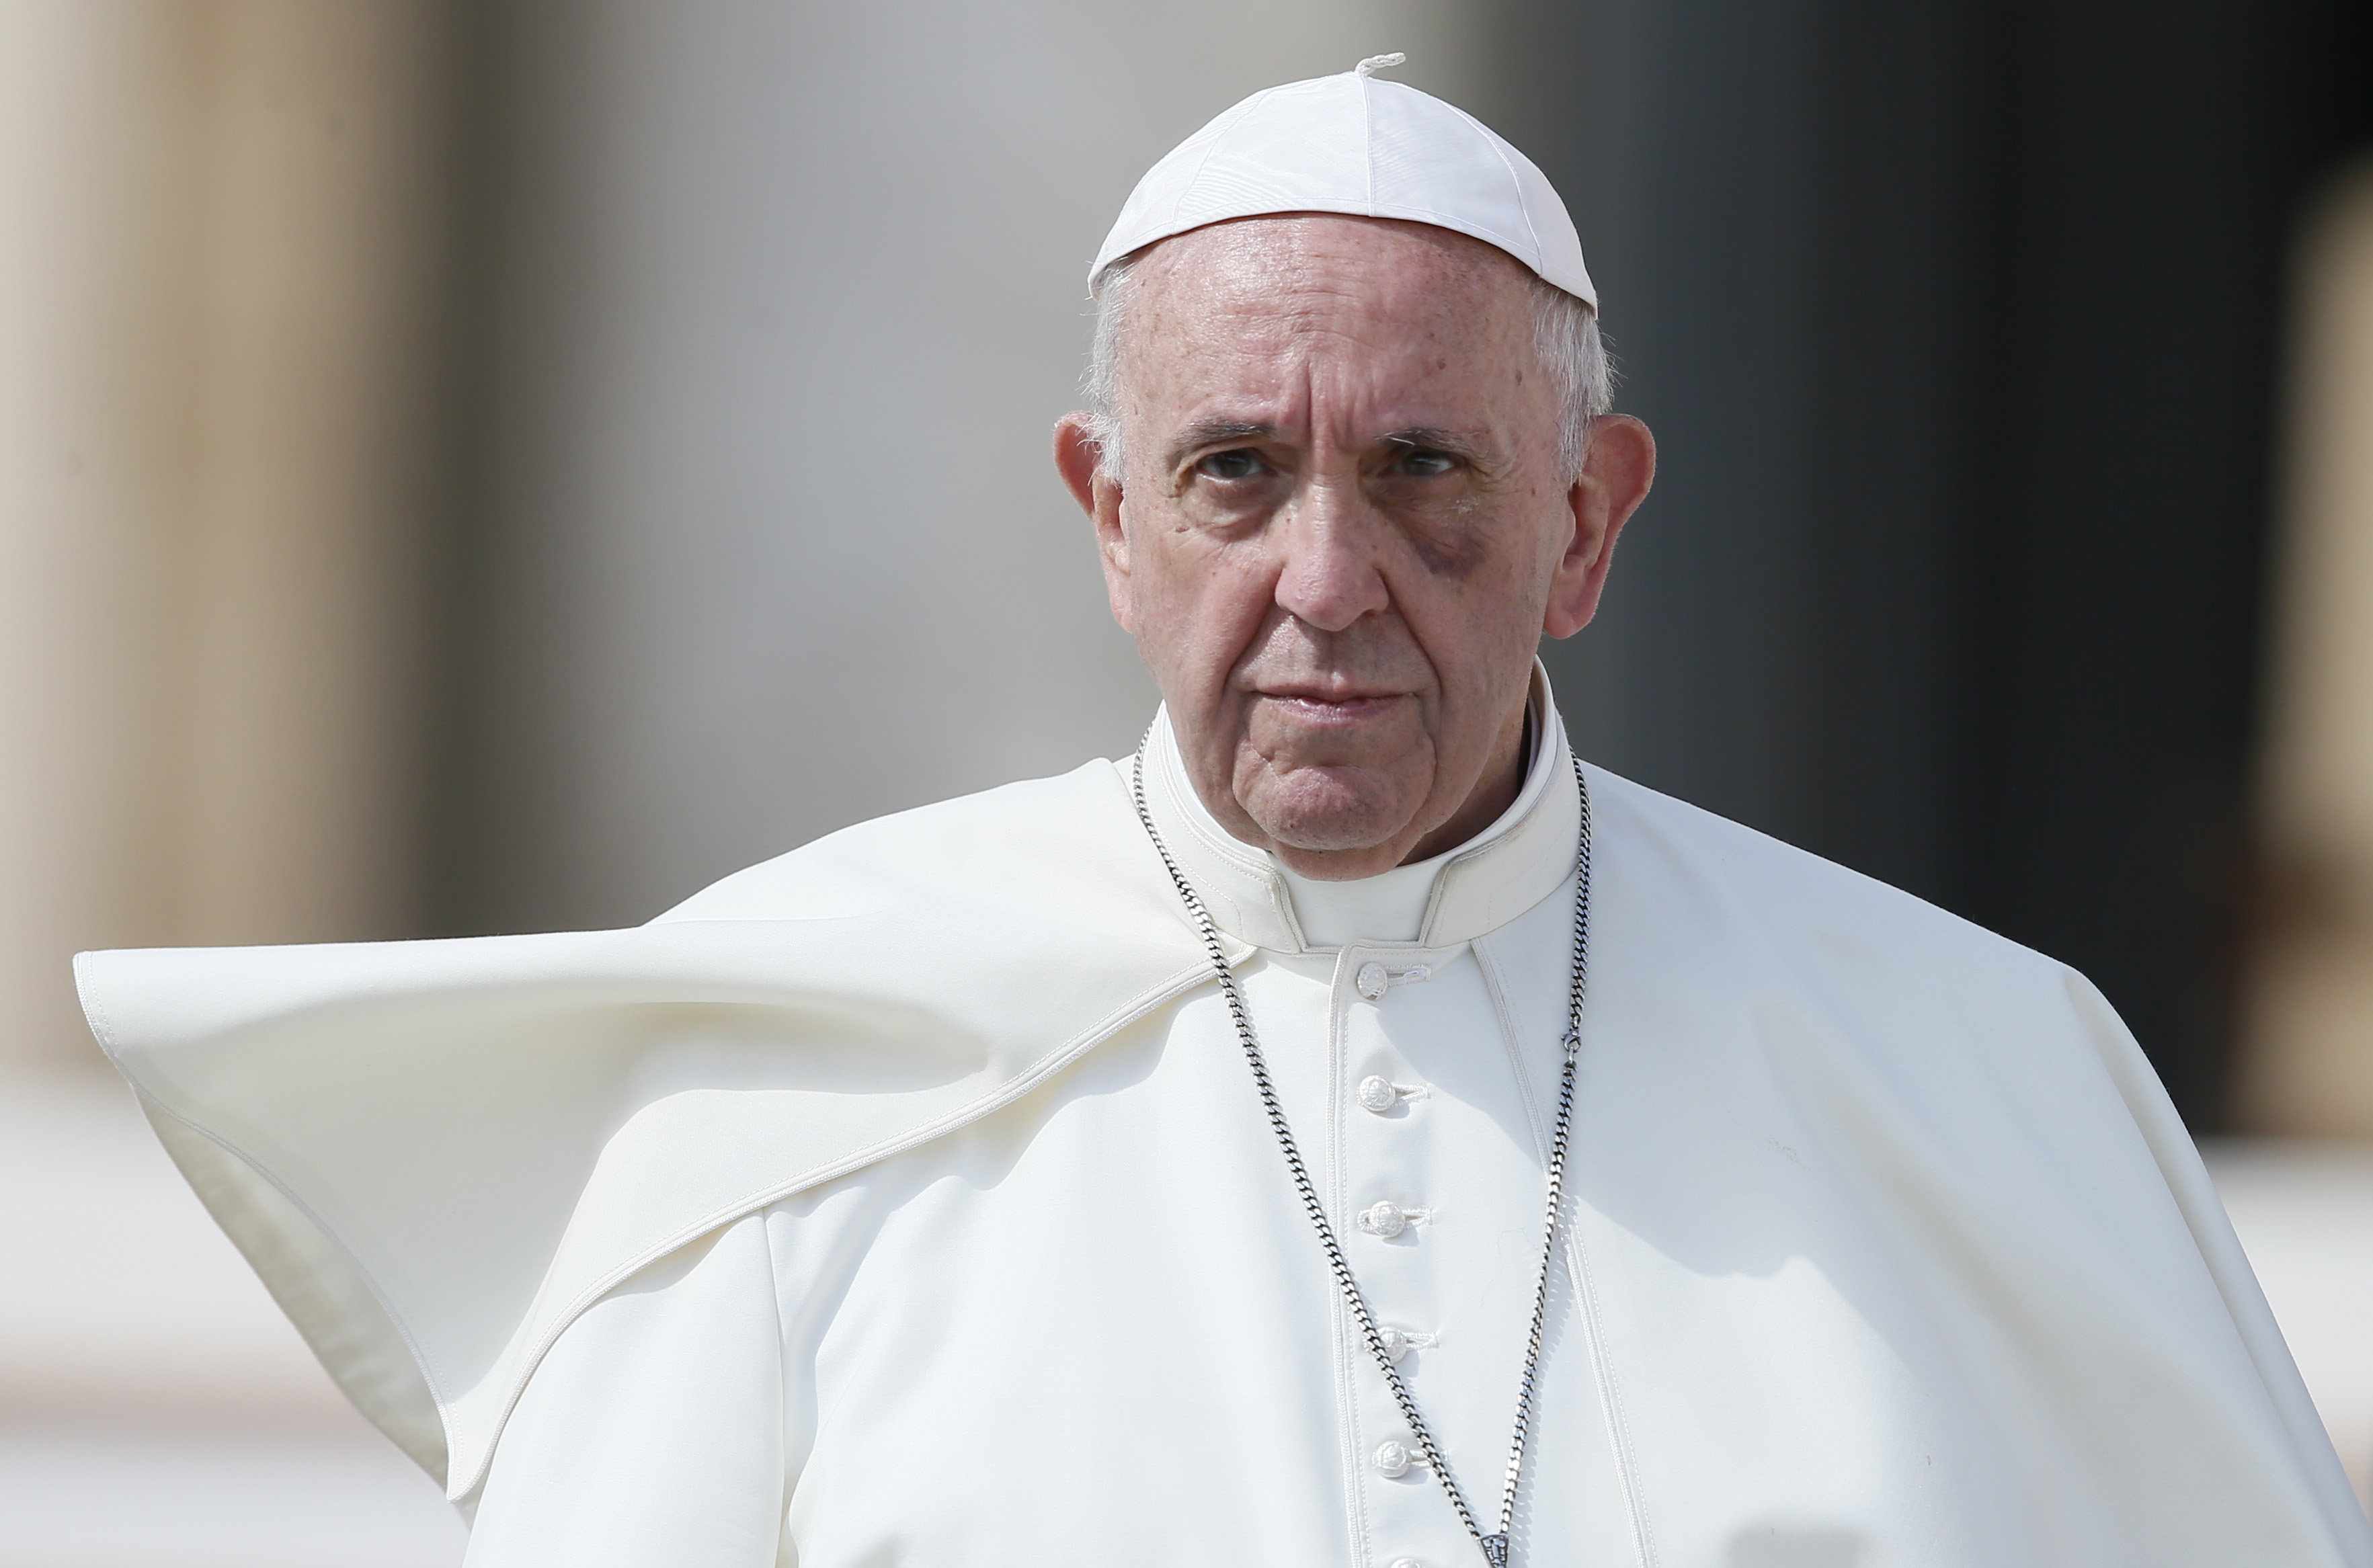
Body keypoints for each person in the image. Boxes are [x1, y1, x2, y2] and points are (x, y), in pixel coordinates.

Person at [77, 61, 2372, 1568]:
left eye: (1424, 475)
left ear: (1589, 520)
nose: (1323, 580)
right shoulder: (793, 1094)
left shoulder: (1969, 1075)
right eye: (1233, 474)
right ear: (1108, 515)